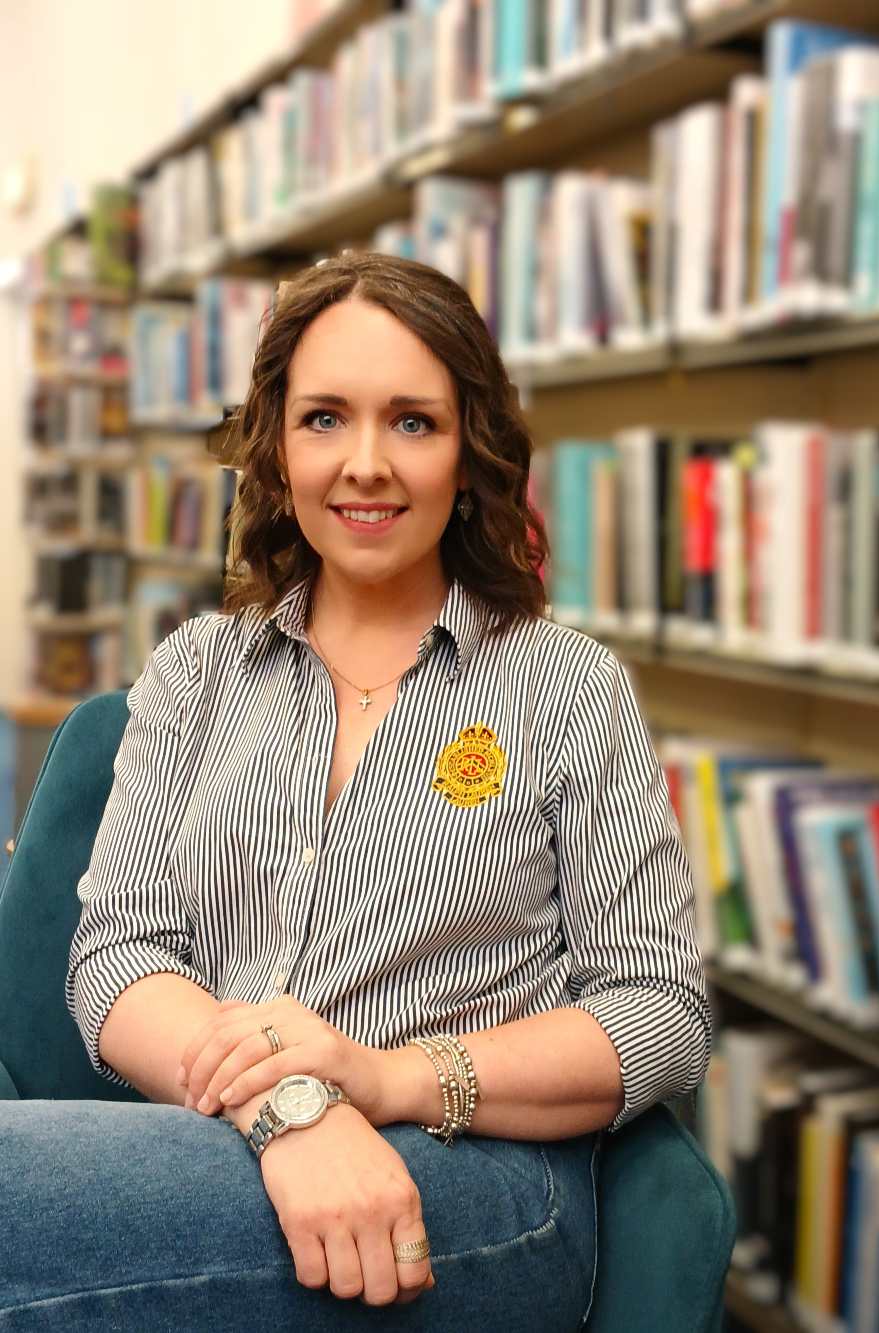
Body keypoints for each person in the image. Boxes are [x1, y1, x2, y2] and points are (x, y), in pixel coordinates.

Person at [4, 252, 711, 1331]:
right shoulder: (196, 670)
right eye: (325, 418)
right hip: (230, 1148)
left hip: (472, 1188)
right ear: (277, 448)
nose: (366, 463)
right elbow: (115, 956)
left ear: (470, 452)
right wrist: (289, 1108)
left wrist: (381, 1081)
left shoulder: (566, 686)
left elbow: (658, 1012)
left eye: (413, 423)